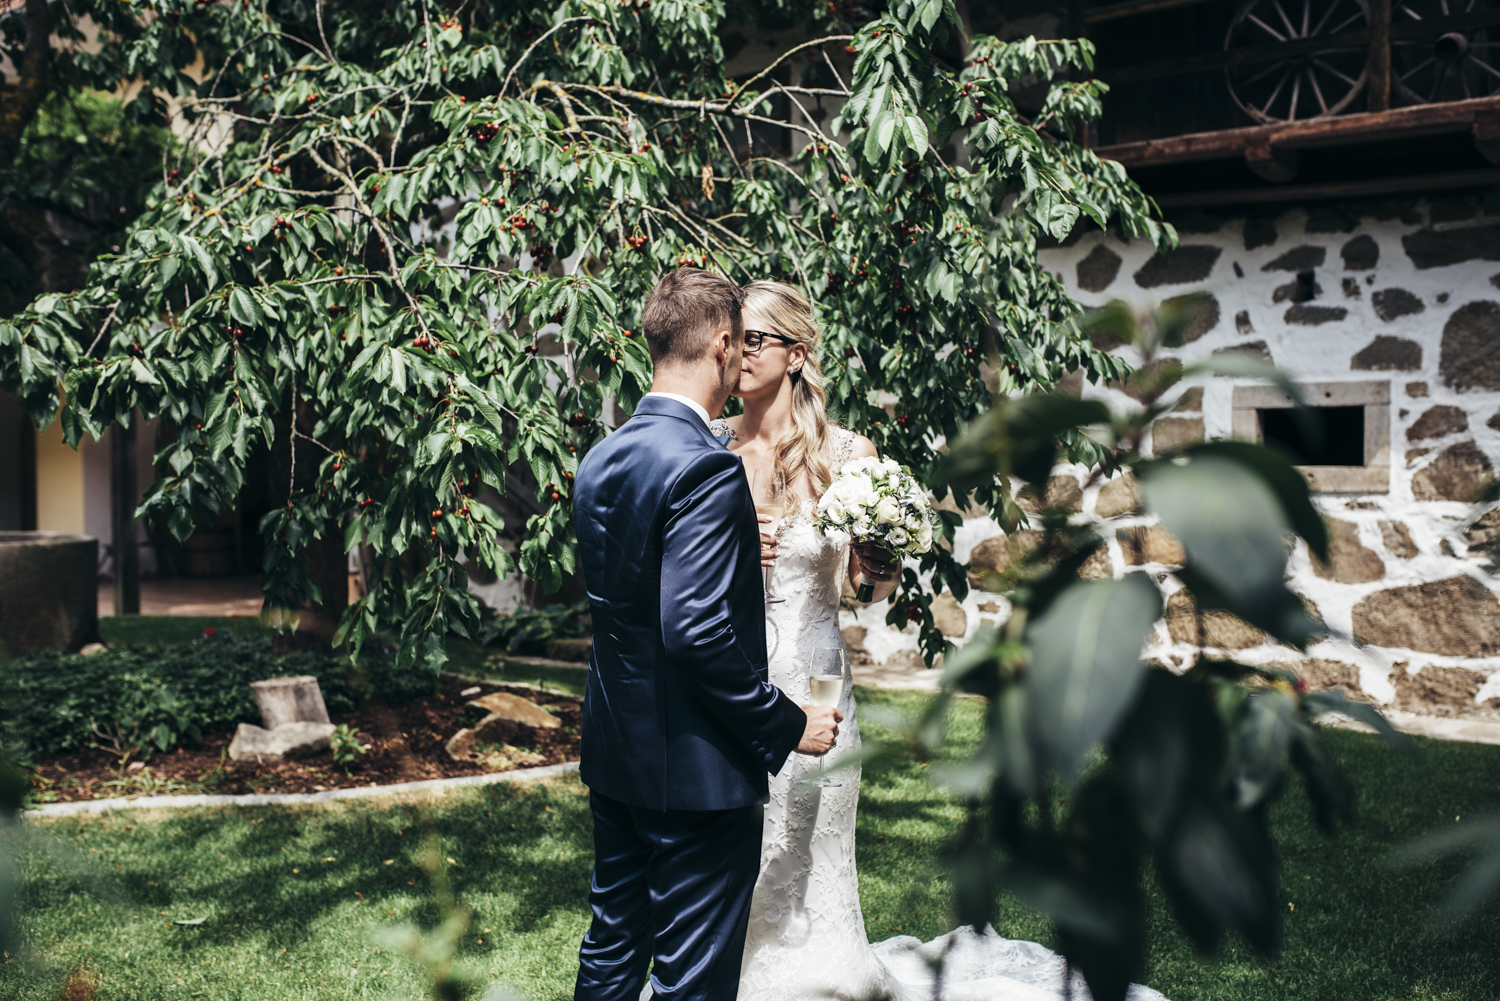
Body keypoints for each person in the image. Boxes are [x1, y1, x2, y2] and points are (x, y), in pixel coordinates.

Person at [722, 280, 1168, 1001]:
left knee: (810, 826)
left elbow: (869, 592)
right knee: (738, 830)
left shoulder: (846, 453)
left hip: (814, 670)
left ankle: (823, 975)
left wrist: (880, 564)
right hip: (733, 670)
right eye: (731, 338)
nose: (734, 353)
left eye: (751, 338)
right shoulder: (712, 445)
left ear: (796, 353)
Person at [571, 267, 844, 1001]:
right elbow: (693, 632)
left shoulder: (600, 458)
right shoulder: (707, 468)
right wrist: (787, 723)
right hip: (694, 773)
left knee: (613, 944)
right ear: (722, 345)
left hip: (615, 755)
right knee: (693, 978)